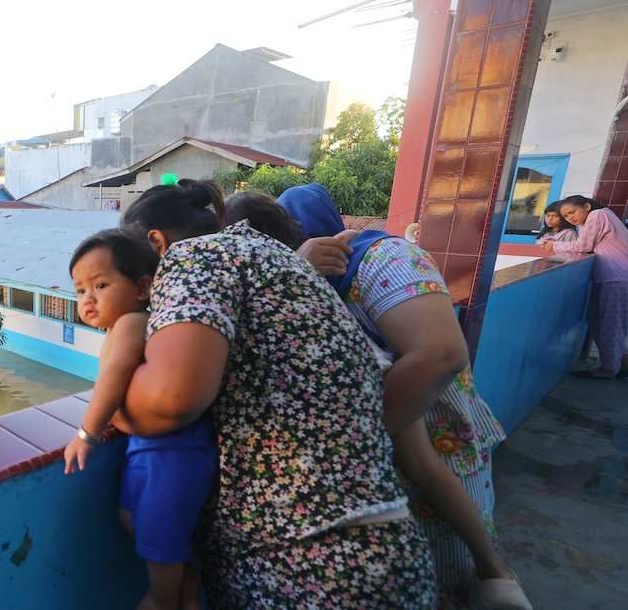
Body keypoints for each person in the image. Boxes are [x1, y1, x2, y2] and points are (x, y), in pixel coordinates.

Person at [115, 179, 435, 608]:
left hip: (307, 564)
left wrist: (106, 404)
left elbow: (173, 401)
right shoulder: (279, 259)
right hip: (377, 547)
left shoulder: (193, 259)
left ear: (156, 243)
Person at [229, 185, 527, 609]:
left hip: (430, 428)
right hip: (387, 447)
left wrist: (355, 443)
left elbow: (440, 355)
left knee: (454, 565)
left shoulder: (382, 257)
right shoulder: (310, 282)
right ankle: (494, 575)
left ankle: (495, 577)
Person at [62, 229, 216, 610]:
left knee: (159, 541)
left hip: (170, 454)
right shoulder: (120, 326)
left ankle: (163, 600)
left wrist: (87, 432)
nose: (88, 299)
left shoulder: (133, 321)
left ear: (143, 288)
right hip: (147, 451)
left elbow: (115, 375)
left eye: (100, 285)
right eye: (80, 290)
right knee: (132, 518)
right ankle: (187, 583)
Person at [541, 195, 628, 379]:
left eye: (572, 212)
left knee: (608, 323)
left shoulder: (597, 215)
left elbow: (583, 246)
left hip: (615, 278)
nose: (569, 218)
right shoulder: (599, 217)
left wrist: (553, 246)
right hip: (612, 277)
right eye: (565, 216)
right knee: (599, 320)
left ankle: (610, 368)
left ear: (587, 206)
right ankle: (618, 362)